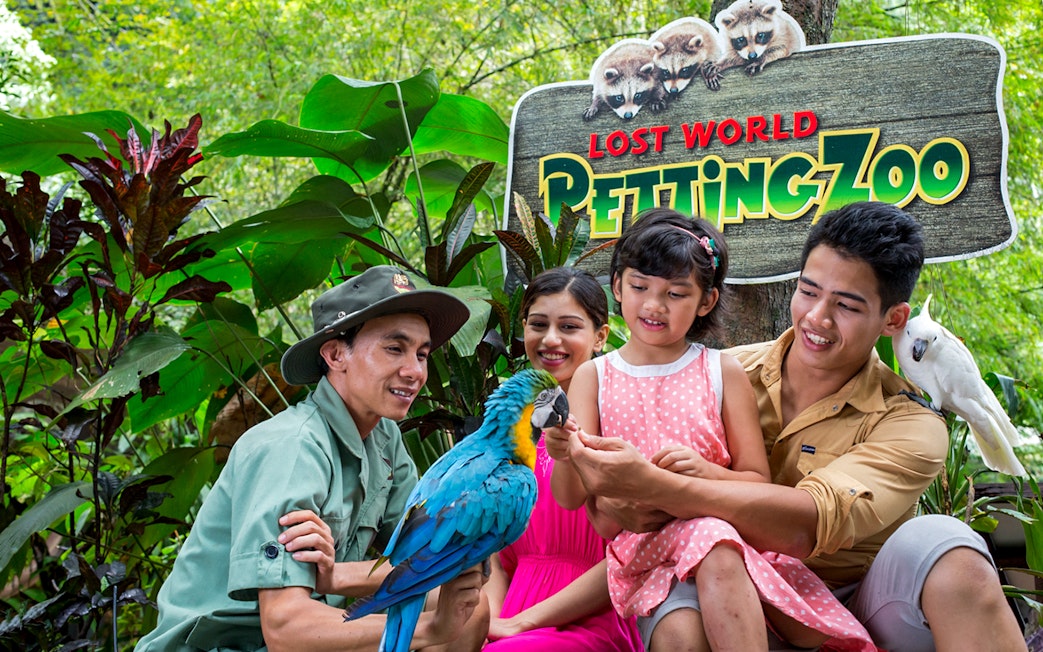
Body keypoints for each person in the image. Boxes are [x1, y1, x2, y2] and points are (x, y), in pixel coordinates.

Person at [557, 202, 1028, 651]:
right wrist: (612, 501)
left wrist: (657, 486)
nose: (817, 318)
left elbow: (807, 525)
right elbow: (610, 501)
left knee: (953, 551)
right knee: (682, 621)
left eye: (847, 306)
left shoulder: (912, 422)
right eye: (809, 291)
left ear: (894, 319)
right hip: (723, 584)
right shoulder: (714, 374)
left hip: (855, 600)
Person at [547, 209, 875, 652]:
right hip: (647, 552)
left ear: (706, 301)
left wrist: (705, 472)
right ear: (618, 286)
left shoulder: (722, 371)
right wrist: (566, 453)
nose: (654, 305)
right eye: (640, 287)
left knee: (713, 540)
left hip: (724, 541)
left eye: (675, 293)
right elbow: (571, 498)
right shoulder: (595, 376)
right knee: (688, 614)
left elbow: (756, 480)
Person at [137, 265, 490, 652]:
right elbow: (286, 629)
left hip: (306, 630)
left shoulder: (384, 438)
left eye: (421, 354)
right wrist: (429, 630)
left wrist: (335, 576)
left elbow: (436, 555)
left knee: (470, 610)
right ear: (336, 354)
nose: (415, 371)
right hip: (226, 646)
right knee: (444, 619)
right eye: (395, 349)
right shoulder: (292, 448)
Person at [482, 267, 642, 652]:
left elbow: (634, 553)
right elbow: (496, 562)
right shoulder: (506, 436)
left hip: (591, 619)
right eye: (538, 325)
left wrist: (521, 625)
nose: (551, 339)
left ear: (600, 336)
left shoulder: (621, 424)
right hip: (511, 618)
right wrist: (486, 625)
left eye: (569, 327)